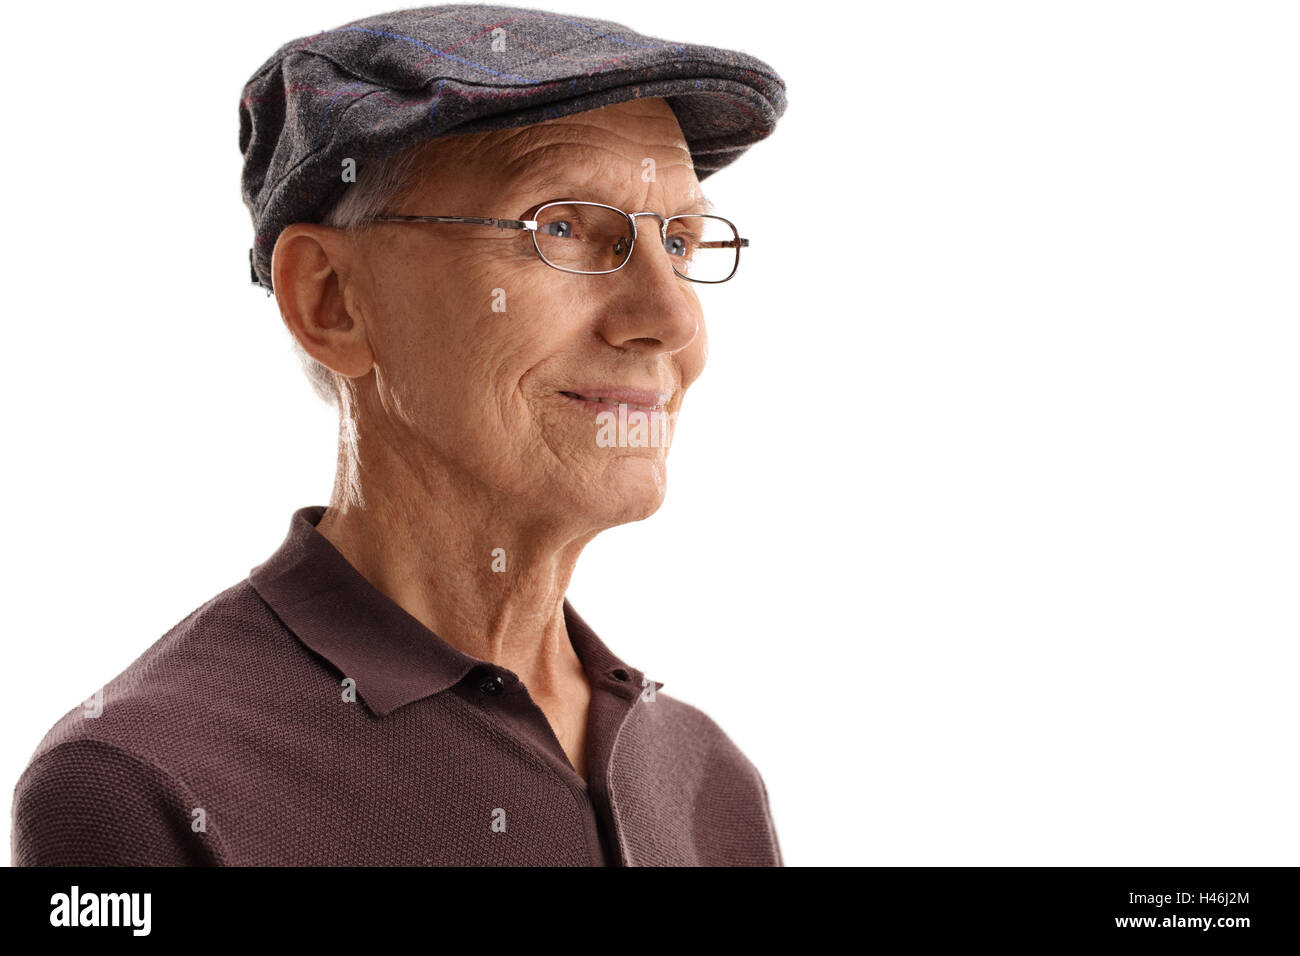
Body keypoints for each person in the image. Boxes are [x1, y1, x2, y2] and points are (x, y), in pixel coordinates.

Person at [12, 3, 788, 866]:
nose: (672, 319)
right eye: (562, 228)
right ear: (331, 302)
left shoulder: (706, 777)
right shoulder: (142, 782)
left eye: (678, 241)